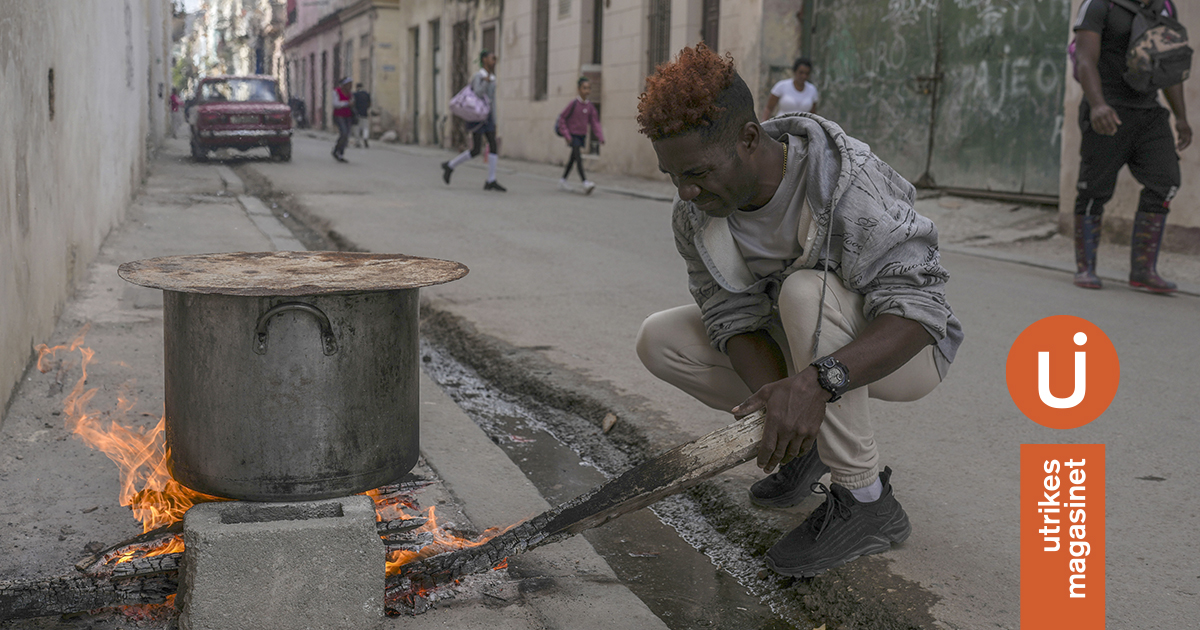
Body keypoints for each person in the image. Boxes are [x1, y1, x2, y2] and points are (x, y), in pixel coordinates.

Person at [634, 44, 963, 578]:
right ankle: (805, 446)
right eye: (673, 176)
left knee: (804, 291)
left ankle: (867, 501)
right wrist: (784, 408)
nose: (686, 190)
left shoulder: (844, 180)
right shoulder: (694, 214)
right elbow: (729, 315)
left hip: (904, 353)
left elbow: (920, 308)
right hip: (810, 352)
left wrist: (814, 385)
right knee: (659, 339)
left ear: (747, 139)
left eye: (696, 172)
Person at [1072, 0, 1190, 293]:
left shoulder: (1164, 8)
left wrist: (1181, 117)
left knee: (1166, 182)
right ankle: (1085, 268)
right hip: (1107, 110)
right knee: (1093, 191)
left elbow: (1169, 65)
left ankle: (1143, 270)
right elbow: (1085, 59)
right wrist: (1098, 105)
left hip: (1149, 114)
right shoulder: (1100, 5)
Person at [441, 50, 507, 192]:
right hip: (477, 116)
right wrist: (485, 82)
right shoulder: (479, 76)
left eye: (495, 59)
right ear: (484, 60)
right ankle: (450, 165)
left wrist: (494, 119)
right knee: (476, 149)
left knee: (493, 145)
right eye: (492, 58)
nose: (494, 61)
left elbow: (492, 101)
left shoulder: (492, 77)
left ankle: (491, 179)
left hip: (487, 116)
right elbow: (477, 93)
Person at [556, 77, 606, 194]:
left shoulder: (590, 106)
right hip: (572, 135)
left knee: (572, 159)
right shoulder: (573, 104)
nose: (587, 90)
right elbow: (562, 118)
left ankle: (563, 180)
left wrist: (600, 136)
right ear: (579, 89)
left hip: (582, 136)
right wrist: (566, 135)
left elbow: (595, 122)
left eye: (588, 88)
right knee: (578, 158)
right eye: (584, 88)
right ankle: (585, 182)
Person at [331, 77, 354, 162]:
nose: (350, 86)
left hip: (348, 116)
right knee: (343, 133)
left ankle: (340, 152)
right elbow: (335, 103)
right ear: (344, 85)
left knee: (347, 135)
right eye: (348, 84)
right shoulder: (336, 91)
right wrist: (346, 103)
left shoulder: (350, 94)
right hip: (339, 115)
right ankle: (337, 149)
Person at [352, 83, 372, 148]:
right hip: (365, 113)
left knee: (357, 128)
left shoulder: (355, 94)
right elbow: (369, 104)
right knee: (365, 127)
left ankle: (357, 141)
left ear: (357, 87)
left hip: (356, 114)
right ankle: (365, 137)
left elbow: (352, 104)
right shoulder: (366, 94)